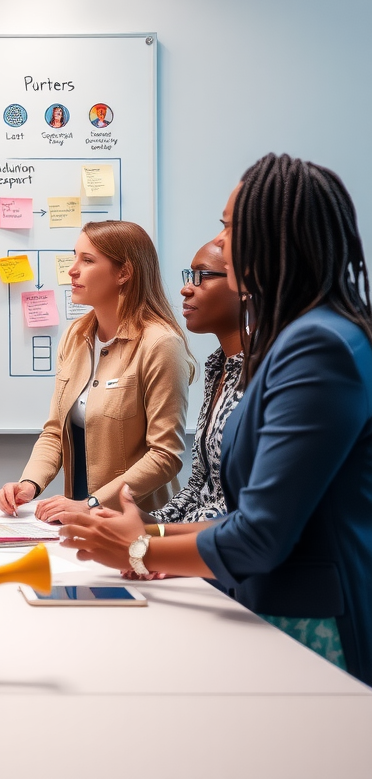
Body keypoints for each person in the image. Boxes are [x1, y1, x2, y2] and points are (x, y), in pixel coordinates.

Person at [61, 154, 372, 685]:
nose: (220, 242)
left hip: (313, 623)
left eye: (230, 226)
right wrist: (151, 530)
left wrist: (140, 548)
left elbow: (262, 534)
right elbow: (245, 513)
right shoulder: (297, 338)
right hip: (269, 599)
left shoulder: (320, 346)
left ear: (276, 236)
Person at [0, 220, 192, 520]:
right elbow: (54, 432)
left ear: (124, 272)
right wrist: (28, 484)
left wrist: (91, 504)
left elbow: (165, 456)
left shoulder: (160, 343)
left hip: (139, 524)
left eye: (87, 260)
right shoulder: (74, 336)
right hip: (76, 520)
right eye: (75, 257)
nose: (72, 270)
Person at [151, 244, 244, 524]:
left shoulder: (270, 372)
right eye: (189, 276)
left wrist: (159, 537)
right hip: (205, 542)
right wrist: (148, 522)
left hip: (232, 551)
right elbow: (200, 487)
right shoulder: (218, 367)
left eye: (202, 276)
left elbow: (240, 506)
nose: (186, 289)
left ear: (247, 286)